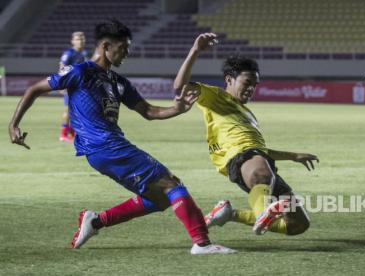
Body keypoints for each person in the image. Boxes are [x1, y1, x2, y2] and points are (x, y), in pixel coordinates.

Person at [8, 20, 234, 254]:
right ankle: (202, 243)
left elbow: (148, 111)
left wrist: (176, 109)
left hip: (108, 148)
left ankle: (96, 221)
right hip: (105, 146)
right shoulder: (80, 72)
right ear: (106, 46)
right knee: (171, 184)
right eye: (123, 48)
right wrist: (14, 124)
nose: (127, 53)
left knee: (159, 198)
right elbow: (34, 89)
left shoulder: (118, 82)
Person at [173, 33, 318, 236]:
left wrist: (294, 156)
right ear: (229, 79)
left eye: (254, 85)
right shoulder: (214, 96)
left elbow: (260, 151)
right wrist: (195, 50)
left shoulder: (248, 114)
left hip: (259, 161)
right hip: (242, 159)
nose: (251, 89)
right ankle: (264, 211)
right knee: (261, 174)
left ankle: (230, 214)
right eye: (247, 82)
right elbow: (180, 86)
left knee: (298, 224)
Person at [59, 31, 88, 142]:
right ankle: (63, 134)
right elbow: (62, 67)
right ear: (72, 41)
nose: (80, 41)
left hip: (79, 86)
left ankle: (72, 133)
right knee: (68, 109)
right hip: (69, 85)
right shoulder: (69, 53)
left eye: (82, 39)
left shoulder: (84, 53)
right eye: (78, 39)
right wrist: (62, 84)